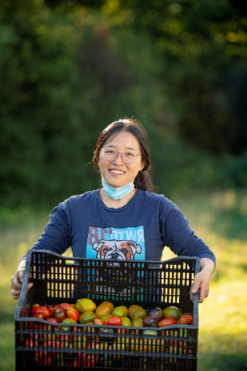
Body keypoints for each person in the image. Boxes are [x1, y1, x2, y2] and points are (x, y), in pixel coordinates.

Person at [11, 118, 215, 303]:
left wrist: (204, 272)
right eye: (110, 151)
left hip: (145, 330)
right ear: (98, 157)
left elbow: (199, 252)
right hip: (85, 326)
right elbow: (40, 255)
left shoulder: (159, 209)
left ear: (142, 163)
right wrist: (23, 271)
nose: (118, 160)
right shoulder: (72, 210)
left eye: (129, 154)